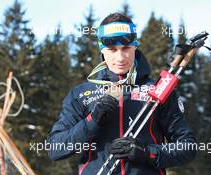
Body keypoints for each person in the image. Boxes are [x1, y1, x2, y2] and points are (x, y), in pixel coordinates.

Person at [47, 12, 197, 175]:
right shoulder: (81, 94)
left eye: (126, 48)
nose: (120, 57)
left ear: (135, 46)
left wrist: (147, 153)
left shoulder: (158, 89)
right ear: (102, 50)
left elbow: (187, 147)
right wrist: (93, 120)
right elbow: (55, 149)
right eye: (112, 49)